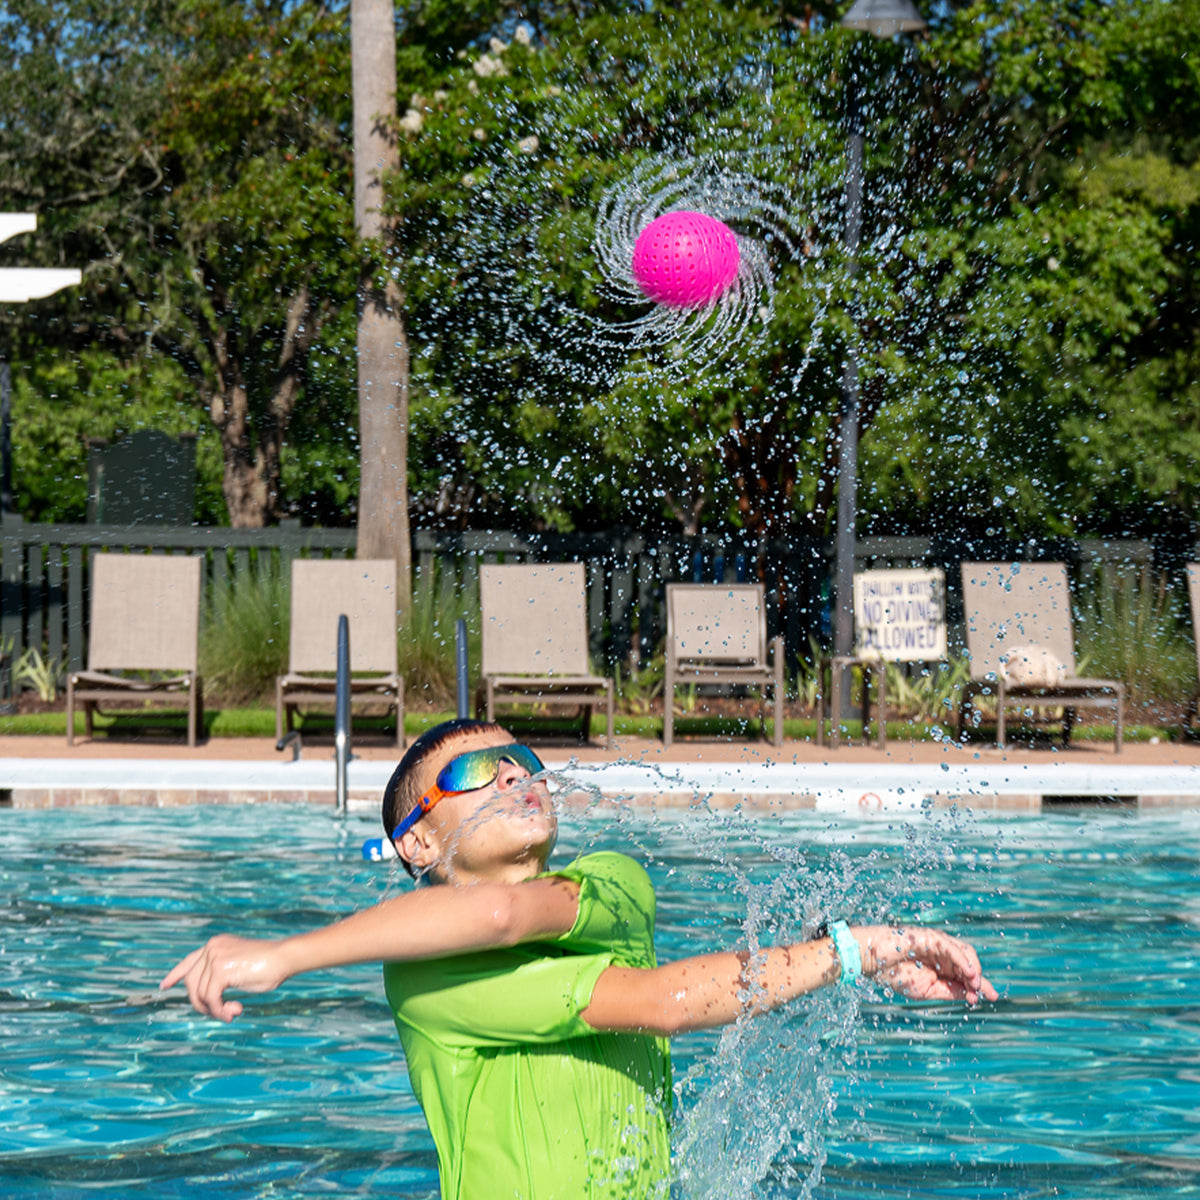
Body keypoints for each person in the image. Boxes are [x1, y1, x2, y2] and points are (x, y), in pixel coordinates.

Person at [162, 718, 997, 1200]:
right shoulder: (425, 980)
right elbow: (651, 996)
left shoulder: (613, 882)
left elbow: (513, 918)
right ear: (416, 837)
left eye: (527, 763)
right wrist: (858, 950)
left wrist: (282, 954)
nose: (519, 778)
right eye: (478, 772)